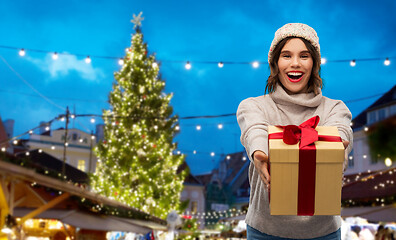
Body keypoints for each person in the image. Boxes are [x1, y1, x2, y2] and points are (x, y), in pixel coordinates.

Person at [237, 23, 353, 240]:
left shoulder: (335, 108)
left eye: (304, 56)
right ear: (275, 63)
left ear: (315, 64)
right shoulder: (253, 106)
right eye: (286, 55)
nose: (295, 64)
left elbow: (342, 131)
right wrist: (260, 153)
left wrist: (338, 146)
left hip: (323, 232)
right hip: (265, 231)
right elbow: (255, 129)